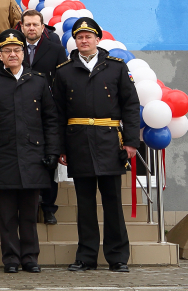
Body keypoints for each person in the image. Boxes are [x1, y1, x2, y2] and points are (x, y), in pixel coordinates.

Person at [52, 17, 141, 273]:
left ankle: (117, 257)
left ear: (97, 39)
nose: (84, 40)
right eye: (79, 37)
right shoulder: (64, 70)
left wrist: (132, 142)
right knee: (85, 204)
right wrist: (60, 147)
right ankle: (86, 256)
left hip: (110, 143)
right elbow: (57, 113)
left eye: (88, 37)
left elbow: (131, 106)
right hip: (78, 143)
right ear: (75, 41)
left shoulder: (116, 68)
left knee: (113, 203)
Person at [0, 29, 61, 274]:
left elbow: (50, 119)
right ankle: (11, 259)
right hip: (2, 157)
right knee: (6, 215)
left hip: (33, 157)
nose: (12, 54)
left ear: (24, 54)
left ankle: (30, 258)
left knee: (29, 213)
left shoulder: (38, 81)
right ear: (0, 56)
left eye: (16, 50)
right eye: (7, 51)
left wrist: (52, 151)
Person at [21, 9, 68, 225]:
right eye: (27, 25)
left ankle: (49, 207)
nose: (31, 28)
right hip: (21, 113)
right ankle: (27, 206)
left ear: (42, 27)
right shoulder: (13, 49)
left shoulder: (56, 50)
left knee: (50, 163)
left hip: (48, 113)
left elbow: (62, 82)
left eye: (35, 25)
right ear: (22, 27)